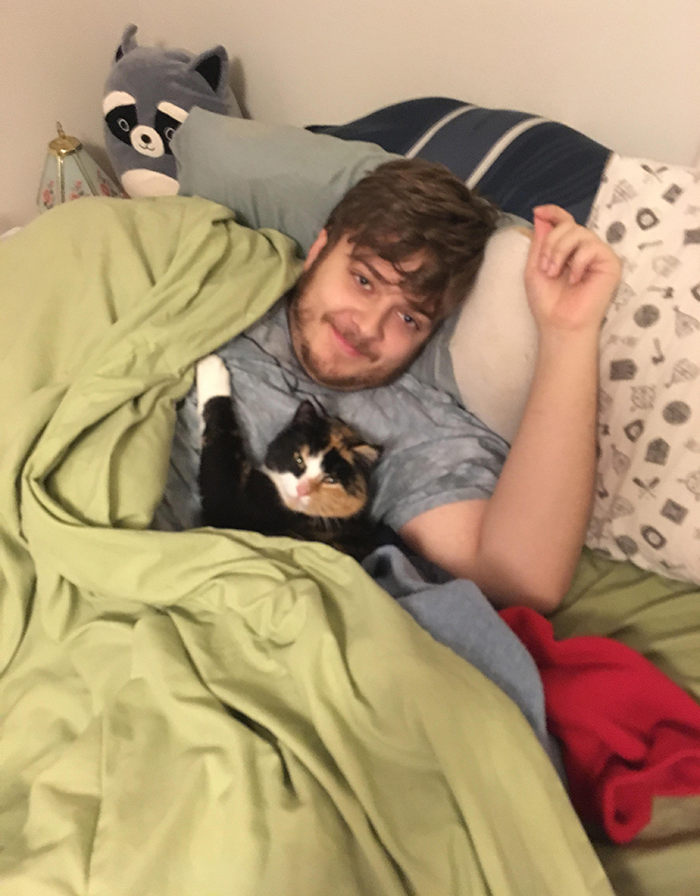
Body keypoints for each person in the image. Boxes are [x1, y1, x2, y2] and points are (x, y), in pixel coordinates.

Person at [160, 158, 621, 614]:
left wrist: (568, 332)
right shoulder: (230, 272)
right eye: (363, 280)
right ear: (320, 248)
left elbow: (523, 579)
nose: (367, 327)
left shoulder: (405, 426)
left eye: (408, 317)